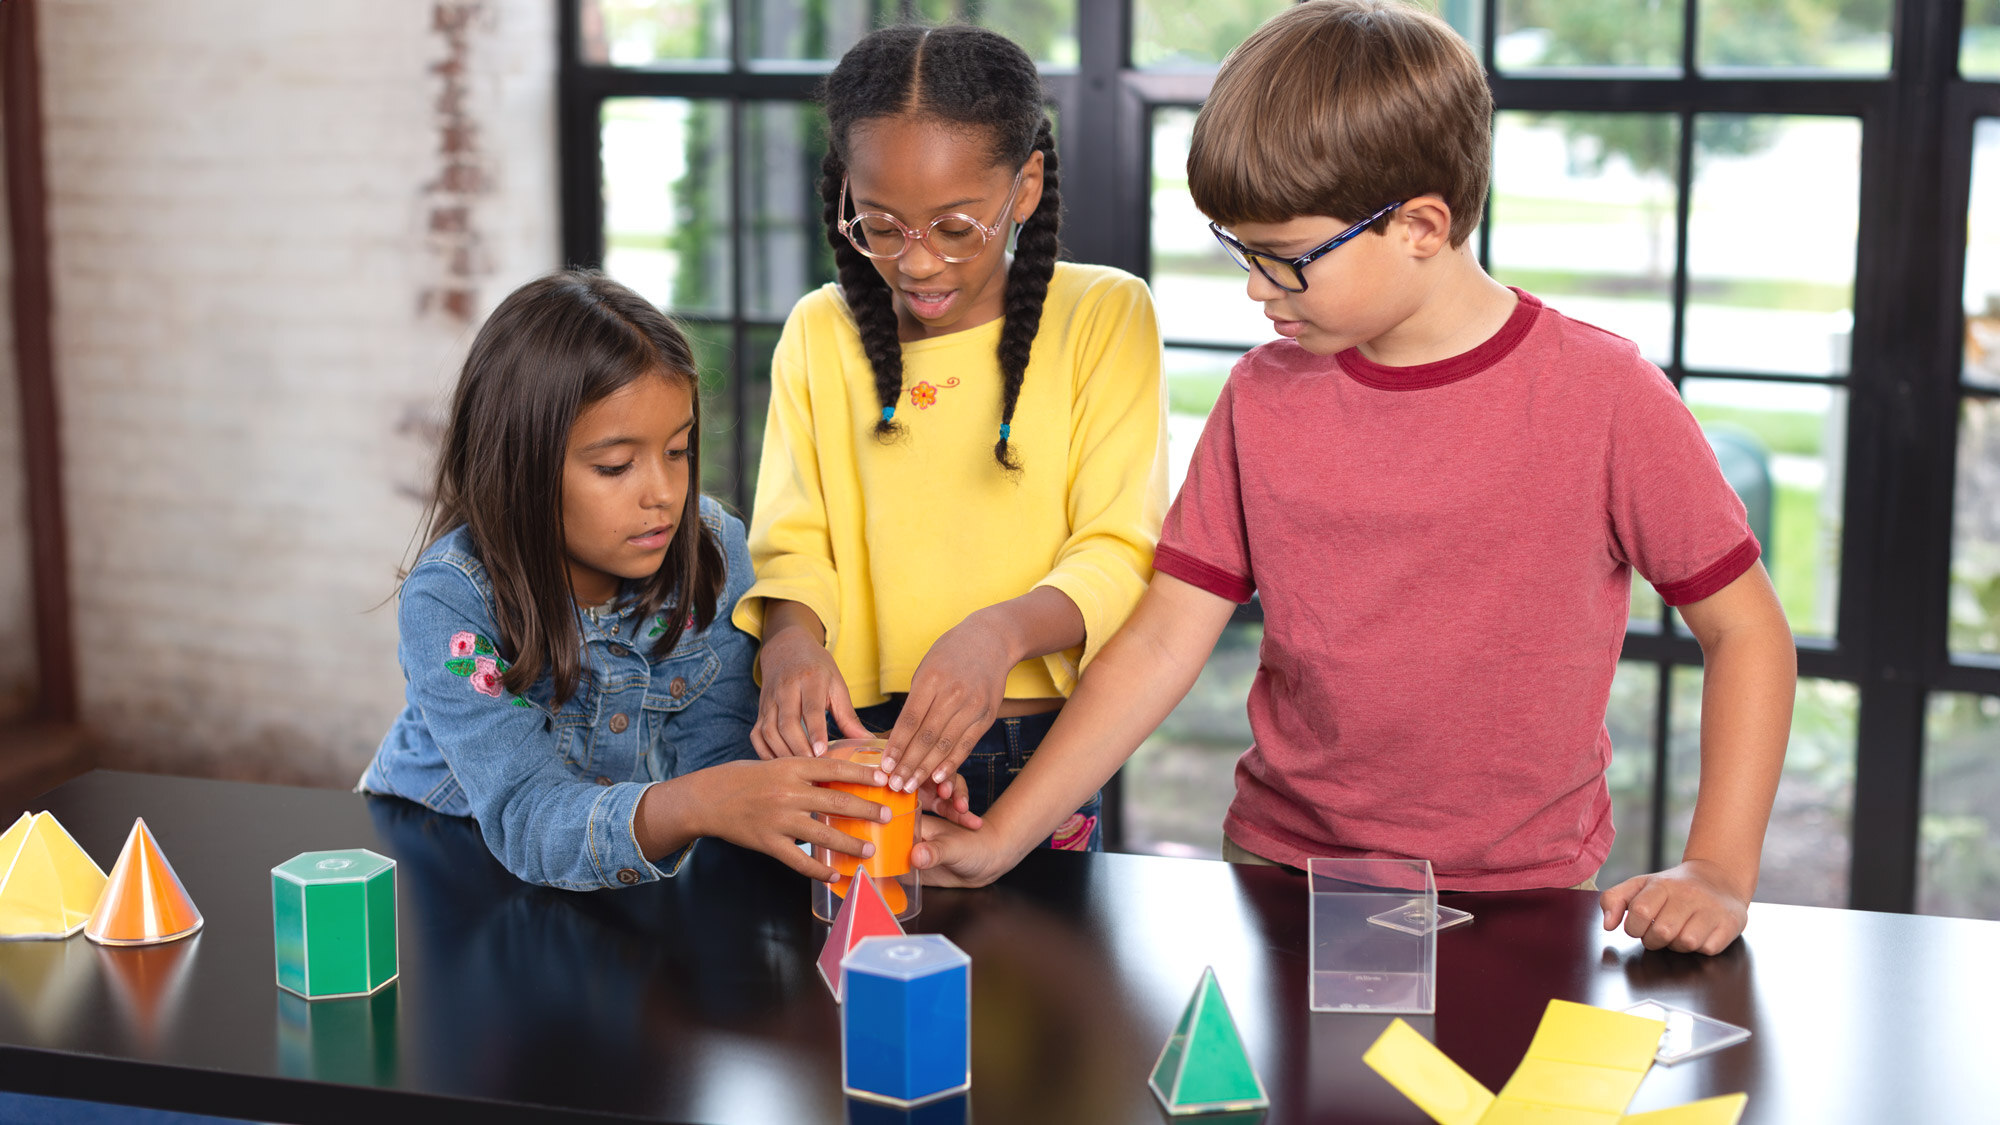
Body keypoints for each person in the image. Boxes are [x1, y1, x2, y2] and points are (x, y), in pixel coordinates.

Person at [914, 0, 1797, 955]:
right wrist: (1005, 835)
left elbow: (1746, 629)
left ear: (1422, 224)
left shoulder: (1605, 394)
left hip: (1523, 894)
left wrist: (1716, 867)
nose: (1255, 287)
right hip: (1279, 874)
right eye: (1240, 250)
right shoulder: (1261, 396)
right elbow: (1167, 637)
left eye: (1286, 259)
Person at [360, 270, 945, 890]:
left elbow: (726, 761)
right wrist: (697, 802)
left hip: (624, 876)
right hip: (440, 858)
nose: (665, 494)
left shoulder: (710, 548)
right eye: (615, 466)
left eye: (679, 450)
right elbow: (526, 815)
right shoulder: (451, 599)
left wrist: (858, 781)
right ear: (521, 467)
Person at [734, 24, 1168, 853]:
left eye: (956, 228)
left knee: (1033, 978)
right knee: (842, 974)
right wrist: (789, 642)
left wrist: (997, 635)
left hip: (1030, 749)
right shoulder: (821, 332)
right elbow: (794, 542)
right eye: (882, 226)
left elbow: (1121, 550)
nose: (918, 263)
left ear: (1026, 186)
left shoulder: (1104, 315)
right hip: (849, 740)